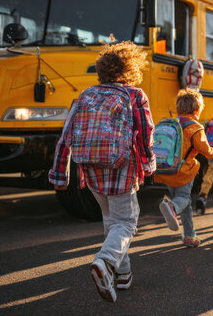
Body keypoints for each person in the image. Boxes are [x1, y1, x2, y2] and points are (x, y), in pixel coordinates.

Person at [49, 41, 155, 303]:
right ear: (131, 68)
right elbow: (145, 134)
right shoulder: (135, 95)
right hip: (122, 167)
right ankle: (106, 262)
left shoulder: (85, 95)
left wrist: (60, 175)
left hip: (90, 169)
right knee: (127, 222)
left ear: (101, 70)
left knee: (111, 220)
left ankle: (123, 275)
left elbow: (65, 137)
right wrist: (149, 164)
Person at [156, 89, 213, 248]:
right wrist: (212, 151)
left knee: (185, 203)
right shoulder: (194, 127)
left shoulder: (170, 122)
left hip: (166, 169)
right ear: (197, 110)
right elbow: (205, 150)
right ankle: (171, 207)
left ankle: (189, 236)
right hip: (183, 172)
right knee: (184, 199)